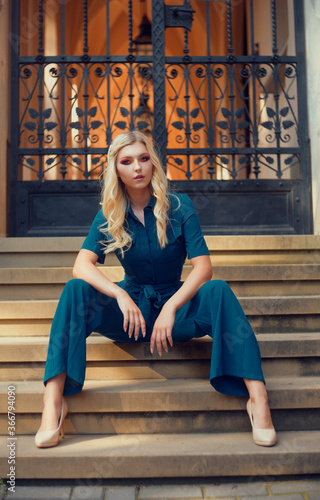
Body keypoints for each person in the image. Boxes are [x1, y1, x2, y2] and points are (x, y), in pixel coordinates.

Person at [35, 131, 276, 449]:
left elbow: (203, 268)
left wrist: (172, 308)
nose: (137, 167)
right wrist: (119, 294)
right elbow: (81, 265)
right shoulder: (111, 212)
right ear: (116, 169)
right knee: (75, 289)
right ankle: (53, 403)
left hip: (175, 312)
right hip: (130, 315)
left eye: (144, 158)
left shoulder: (179, 206)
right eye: (127, 161)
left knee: (217, 290)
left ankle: (258, 400)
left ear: (153, 163)